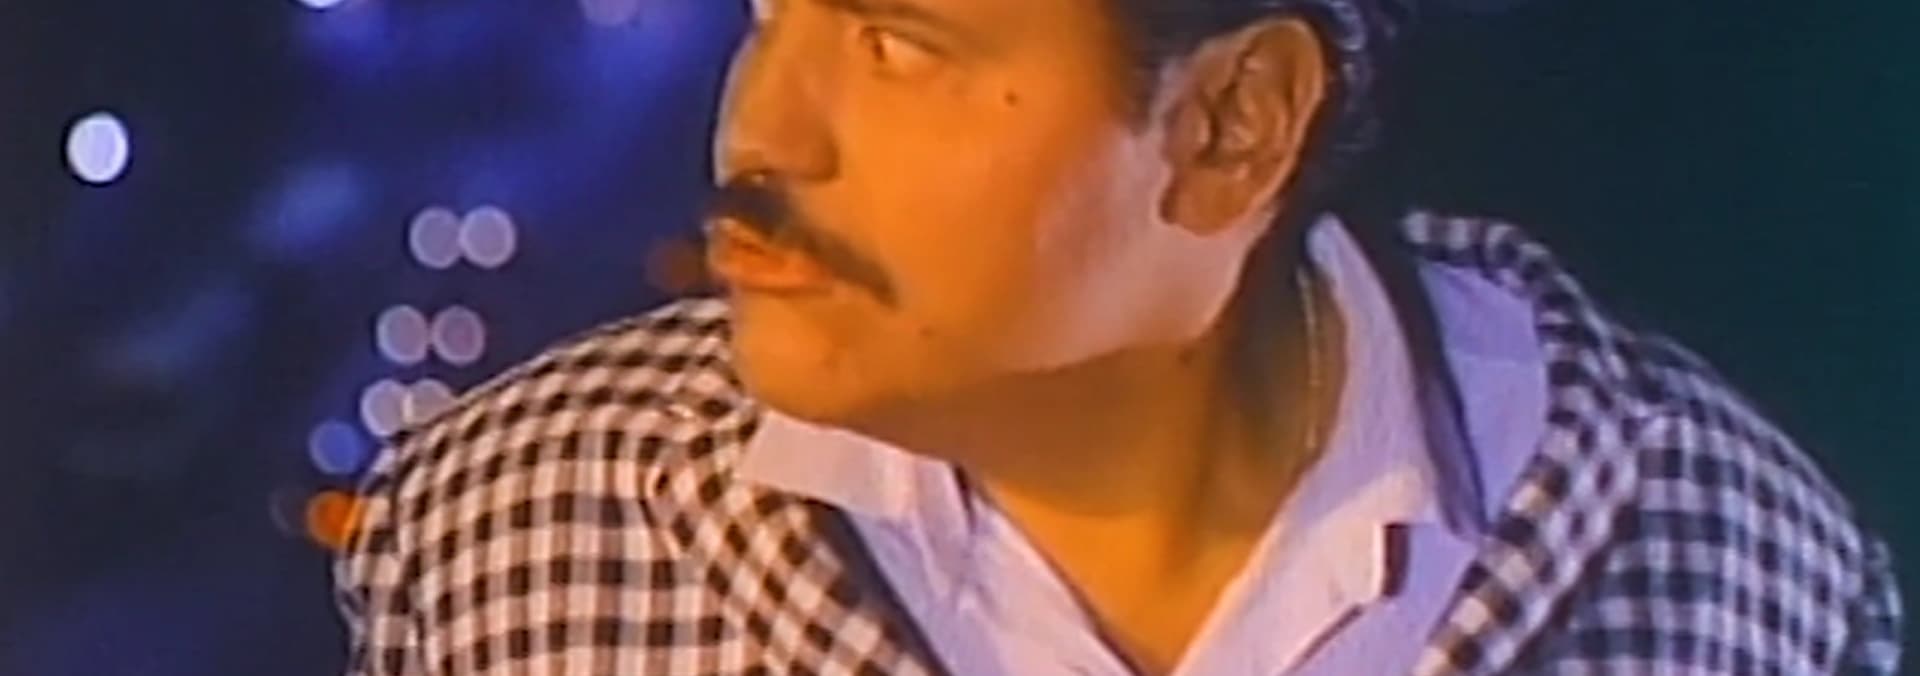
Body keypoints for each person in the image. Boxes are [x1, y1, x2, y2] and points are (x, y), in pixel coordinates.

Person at [333, 0, 1904, 673]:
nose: (759, 135)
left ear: (1232, 123)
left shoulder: (1726, 568)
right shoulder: (513, 532)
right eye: (766, 12)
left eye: (897, 40)